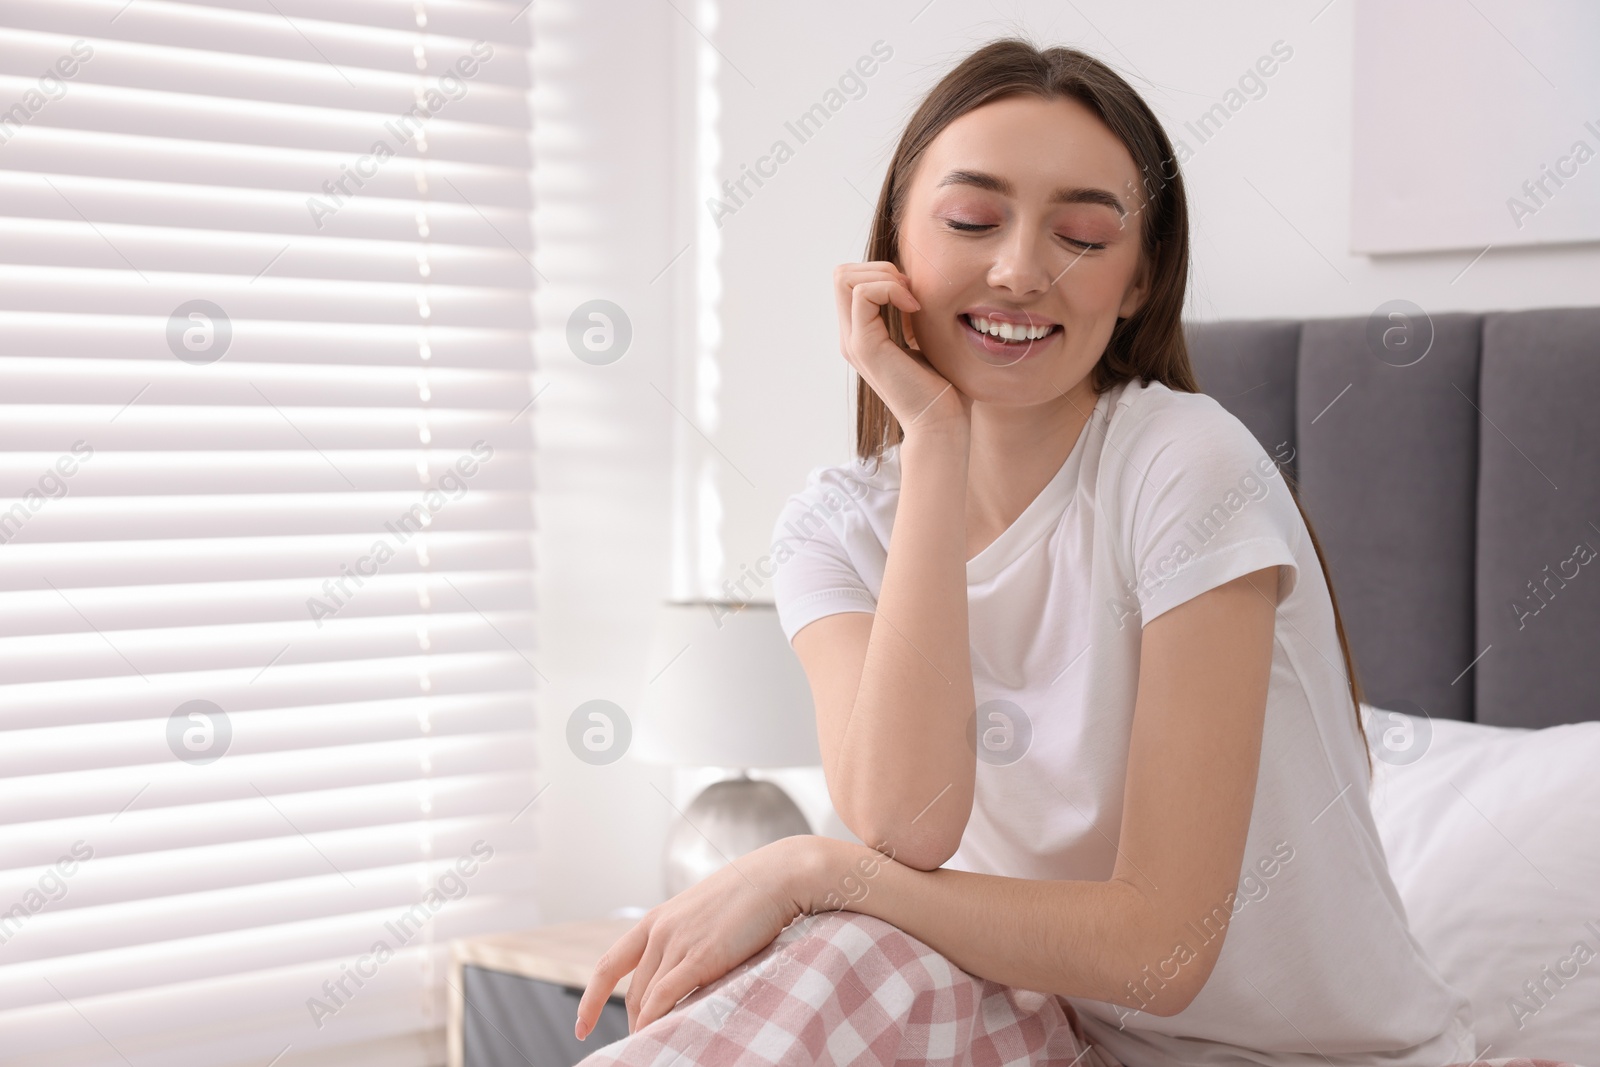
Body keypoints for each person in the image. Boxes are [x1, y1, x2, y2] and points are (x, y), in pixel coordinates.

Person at [572, 37, 1477, 1067]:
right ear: (895, 248)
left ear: (1137, 282)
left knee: (843, 915)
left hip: (1309, 1058)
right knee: (847, 950)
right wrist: (936, 443)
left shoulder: (1185, 463)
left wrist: (807, 864)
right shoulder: (832, 526)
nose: (1017, 269)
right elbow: (908, 824)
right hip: (1064, 1034)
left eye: (1083, 236)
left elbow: (1160, 951)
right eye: (969, 220)